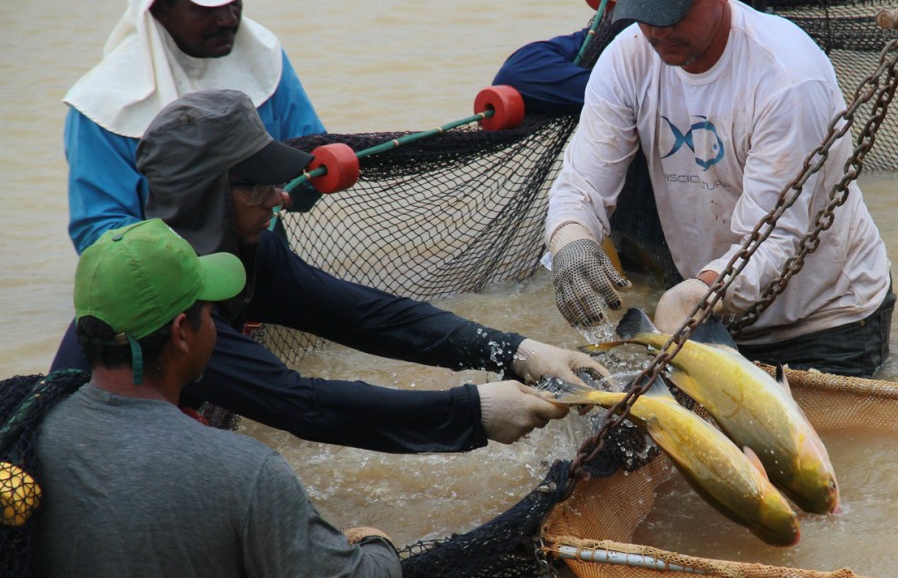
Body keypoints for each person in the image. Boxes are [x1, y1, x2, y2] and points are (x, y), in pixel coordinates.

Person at [51, 88, 603, 453]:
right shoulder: (174, 307)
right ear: (205, 201)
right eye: (259, 187)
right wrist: (473, 412)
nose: (281, 199)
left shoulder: (247, 249)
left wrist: (518, 351)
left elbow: (367, 316)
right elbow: (304, 404)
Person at [33, 218, 402, 578]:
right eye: (211, 315)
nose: (217, 327)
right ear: (182, 333)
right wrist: (378, 548)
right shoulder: (243, 471)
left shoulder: (30, 444)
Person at [545, 0, 896, 378]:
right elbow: (581, 185)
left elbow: (773, 241)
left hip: (824, 322)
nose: (658, 32)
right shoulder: (627, 59)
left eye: (675, 13)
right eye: (645, 14)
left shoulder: (786, 79)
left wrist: (692, 292)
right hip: (712, 317)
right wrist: (571, 239)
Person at [494, 0, 767, 286]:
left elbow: (778, 233)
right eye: (653, 12)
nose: (660, 29)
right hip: (647, 242)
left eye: (680, 8)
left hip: (737, 272)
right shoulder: (636, 43)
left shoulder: (773, 66)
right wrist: (634, 98)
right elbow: (522, 69)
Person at [63, 0, 326, 255]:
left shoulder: (263, 57)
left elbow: (310, 158)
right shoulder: (102, 106)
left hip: (265, 255)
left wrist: (305, 185)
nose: (228, 18)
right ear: (159, 7)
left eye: (234, 0)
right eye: (206, 7)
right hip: (168, 284)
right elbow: (98, 231)